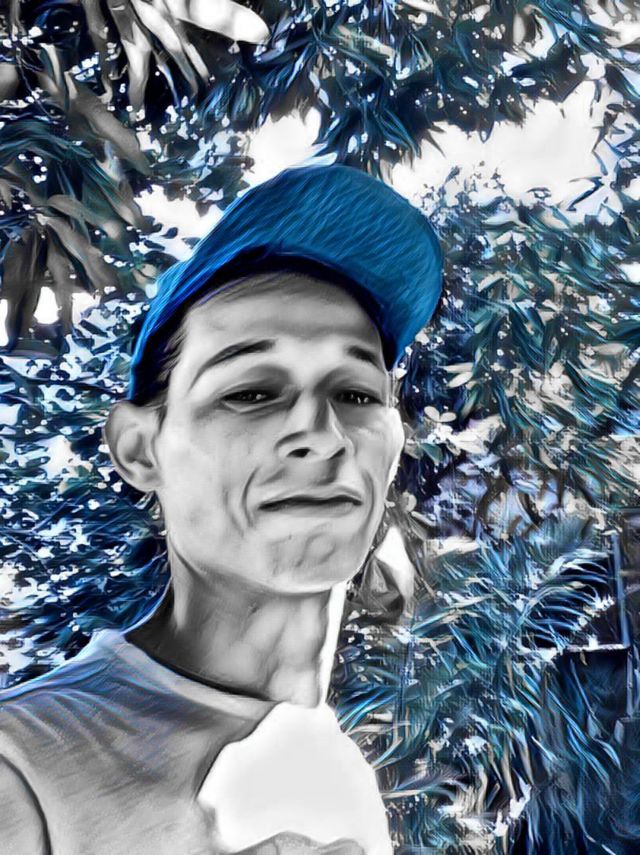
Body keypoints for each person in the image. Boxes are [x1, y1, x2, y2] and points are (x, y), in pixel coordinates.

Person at [0, 164, 442, 854]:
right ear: (139, 448)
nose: (323, 435)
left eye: (356, 393)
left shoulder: (335, 768)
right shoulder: (23, 769)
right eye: (252, 392)